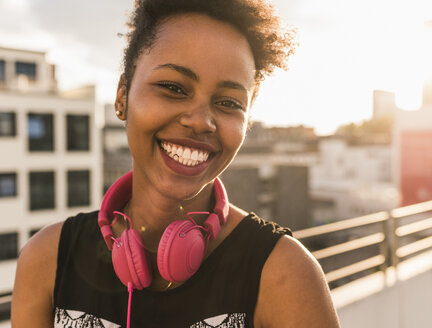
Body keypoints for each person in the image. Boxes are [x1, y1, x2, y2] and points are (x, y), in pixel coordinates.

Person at [11, 0, 341, 327]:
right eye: (173, 88)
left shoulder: (285, 273)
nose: (200, 121)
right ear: (122, 96)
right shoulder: (46, 259)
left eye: (228, 102)